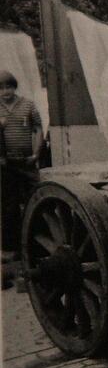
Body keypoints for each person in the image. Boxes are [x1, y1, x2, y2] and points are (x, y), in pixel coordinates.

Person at [1, 70, 44, 288]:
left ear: (14, 87)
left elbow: (37, 128)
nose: (6, 92)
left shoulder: (27, 105)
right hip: (6, 166)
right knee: (8, 208)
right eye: (1, 88)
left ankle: (36, 246)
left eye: (9, 87)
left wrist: (36, 154)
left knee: (33, 202)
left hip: (27, 163)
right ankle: (12, 252)